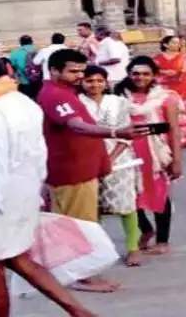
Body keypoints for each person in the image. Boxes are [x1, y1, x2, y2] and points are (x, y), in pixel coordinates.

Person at [0, 52, 95, 317]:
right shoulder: (24, 102)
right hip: (22, 195)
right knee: (18, 259)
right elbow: (39, 156)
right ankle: (79, 312)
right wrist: (36, 193)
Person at [38, 48, 147, 292]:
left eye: (81, 71)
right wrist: (116, 133)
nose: (78, 76)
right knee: (80, 226)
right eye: (72, 71)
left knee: (81, 223)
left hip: (81, 171)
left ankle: (77, 273)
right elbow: (76, 126)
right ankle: (80, 276)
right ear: (54, 71)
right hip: (72, 173)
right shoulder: (57, 95)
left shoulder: (65, 92)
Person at [116, 55, 182, 257]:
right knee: (129, 194)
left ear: (154, 75)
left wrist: (177, 160)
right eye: (135, 73)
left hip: (156, 153)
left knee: (160, 195)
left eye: (145, 74)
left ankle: (163, 241)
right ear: (128, 74)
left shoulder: (165, 98)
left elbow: (174, 129)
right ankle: (145, 229)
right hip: (126, 151)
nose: (140, 77)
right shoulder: (118, 96)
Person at [78, 65, 143, 266]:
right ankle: (98, 251)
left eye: (99, 80)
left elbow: (127, 133)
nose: (94, 85)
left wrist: (110, 159)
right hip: (87, 162)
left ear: (106, 83)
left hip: (119, 160)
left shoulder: (118, 102)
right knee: (93, 209)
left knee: (126, 205)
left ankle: (133, 247)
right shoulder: (77, 103)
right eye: (89, 81)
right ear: (81, 82)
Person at [154, 36, 186, 148]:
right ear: (165, 44)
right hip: (165, 88)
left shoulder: (185, 57)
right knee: (165, 112)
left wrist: (180, 71)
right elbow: (153, 72)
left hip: (183, 87)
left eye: (178, 43)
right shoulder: (157, 59)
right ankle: (168, 139)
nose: (177, 45)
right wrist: (164, 72)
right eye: (174, 42)